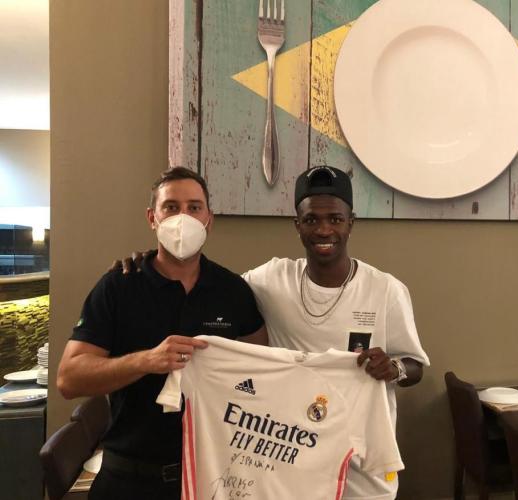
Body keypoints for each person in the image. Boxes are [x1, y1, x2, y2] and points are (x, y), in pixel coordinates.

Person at [119, 165, 430, 500]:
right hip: (289, 468)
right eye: (311, 220)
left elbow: (415, 366)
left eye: (335, 219)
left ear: (350, 223)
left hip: (362, 476)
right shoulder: (270, 279)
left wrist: (394, 368)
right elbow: (213, 289)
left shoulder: (386, 290)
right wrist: (154, 263)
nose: (324, 229)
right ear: (298, 225)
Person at [57, 167, 267, 500]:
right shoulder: (118, 287)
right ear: (152, 218)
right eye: (171, 207)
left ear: (209, 219)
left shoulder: (233, 291)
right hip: (129, 478)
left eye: (194, 207)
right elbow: (69, 379)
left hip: (212, 477)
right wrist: (146, 360)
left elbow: (260, 370)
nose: (183, 217)